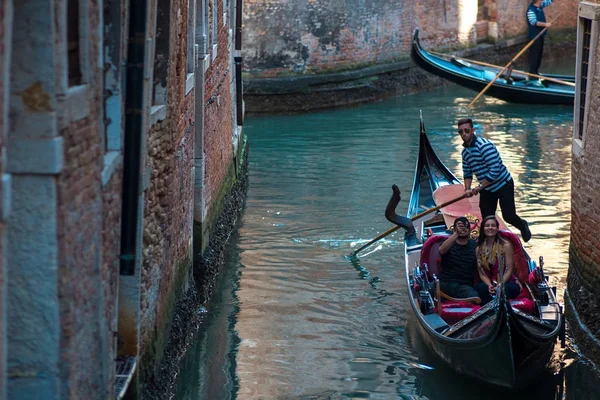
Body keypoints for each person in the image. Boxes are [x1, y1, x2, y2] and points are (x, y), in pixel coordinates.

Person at [458, 117, 532, 242]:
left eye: (466, 130)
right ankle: (490, 243)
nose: (464, 134)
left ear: (472, 130)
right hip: (487, 188)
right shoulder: (465, 153)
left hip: (503, 184)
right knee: (488, 220)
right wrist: (467, 189)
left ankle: (522, 225)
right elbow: (467, 173)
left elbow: (495, 171)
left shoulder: (485, 146)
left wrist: (480, 187)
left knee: (508, 216)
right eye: (461, 132)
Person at [474, 215, 522, 304]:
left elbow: (509, 269)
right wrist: (489, 285)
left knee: (507, 289)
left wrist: (500, 285)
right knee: (481, 288)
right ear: (483, 229)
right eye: (487, 226)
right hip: (489, 283)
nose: (490, 228)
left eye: (493, 226)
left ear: (497, 229)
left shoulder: (505, 245)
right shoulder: (479, 249)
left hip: (506, 282)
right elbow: (481, 273)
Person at [437, 216, 479, 299]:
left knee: (474, 296)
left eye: (465, 226)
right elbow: (441, 251)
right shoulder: (448, 243)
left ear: (470, 230)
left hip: (464, 286)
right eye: (459, 226)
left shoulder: (474, 245)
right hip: (445, 283)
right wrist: (456, 233)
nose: (462, 228)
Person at [526, 0, 553, 76]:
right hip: (534, 37)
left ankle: (536, 72)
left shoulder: (540, 6)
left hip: (540, 35)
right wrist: (545, 24)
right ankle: (532, 73)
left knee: (539, 55)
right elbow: (533, 22)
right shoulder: (531, 10)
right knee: (534, 55)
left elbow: (549, 1)